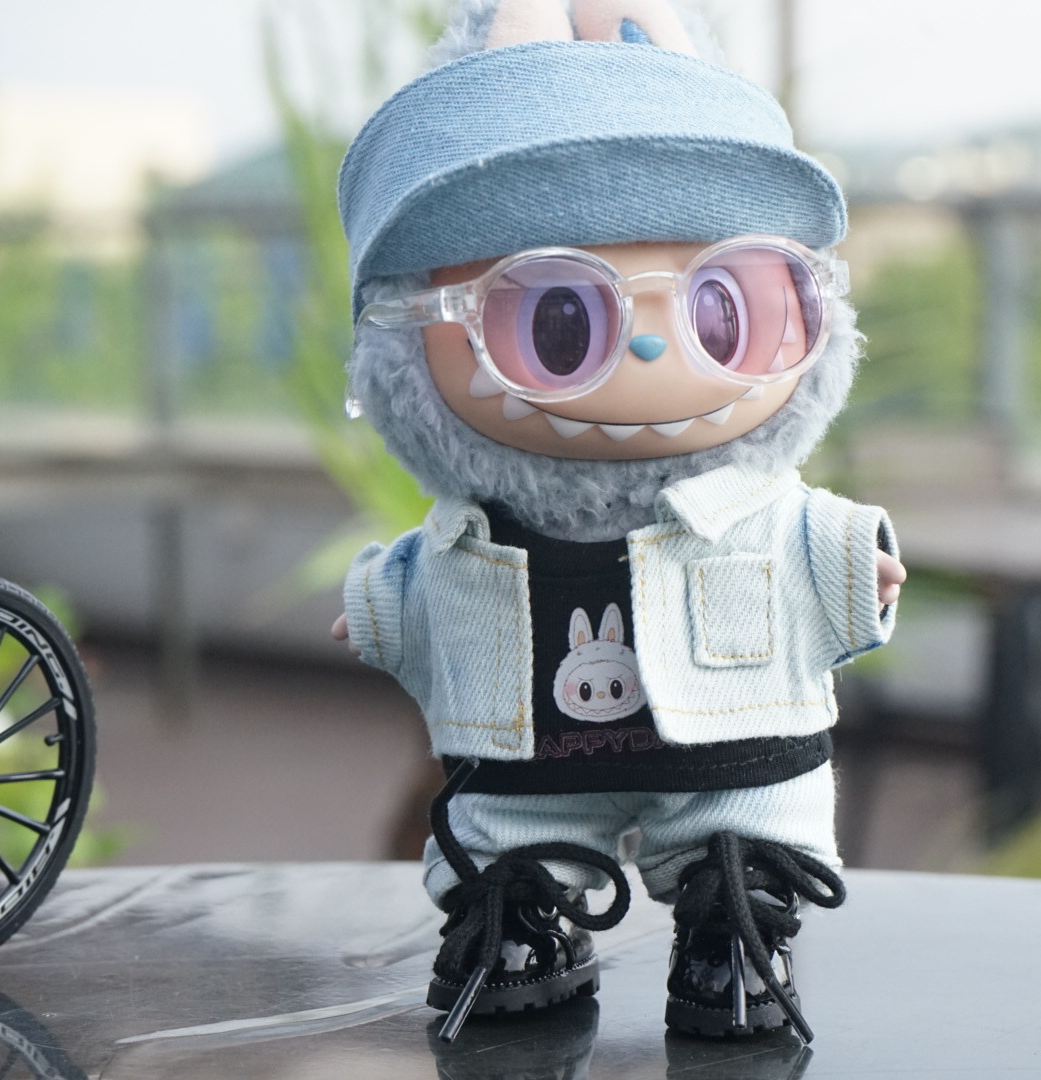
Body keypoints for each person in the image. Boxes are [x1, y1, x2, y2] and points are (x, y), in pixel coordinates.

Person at [331, 0, 904, 1043]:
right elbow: (425, 576)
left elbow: (812, 544)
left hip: (733, 761)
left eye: (724, 307)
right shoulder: (478, 530)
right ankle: (521, 910)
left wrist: (852, 567)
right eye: (557, 316)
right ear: (410, 332)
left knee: (749, 826)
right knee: (509, 838)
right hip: (528, 773)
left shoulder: (756, 514)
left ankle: (736, 915)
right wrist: (379, 610)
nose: (649, 352)